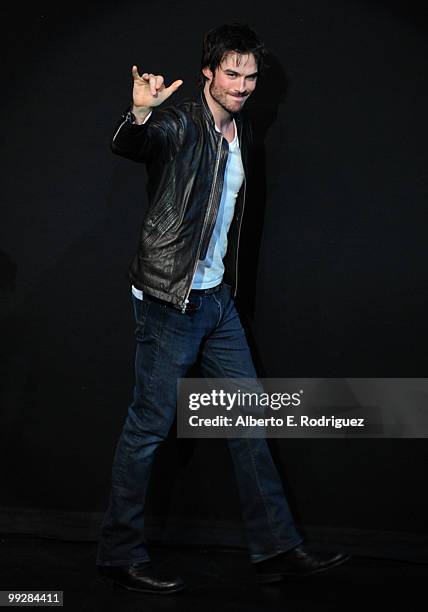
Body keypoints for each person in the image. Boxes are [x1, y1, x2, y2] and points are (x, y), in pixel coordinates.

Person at [96, 22, 349, 594]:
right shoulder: (181, 122)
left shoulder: (246, 133)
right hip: (168, 301)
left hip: (216, 303)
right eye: (230, 73)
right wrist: (139, 114)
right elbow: (134, 144)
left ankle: (277, 548)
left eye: (250, 75)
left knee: (249, 422)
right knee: (149, 429)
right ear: (208, 72)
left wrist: (227, 289)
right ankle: (118, 552)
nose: (240, 84)